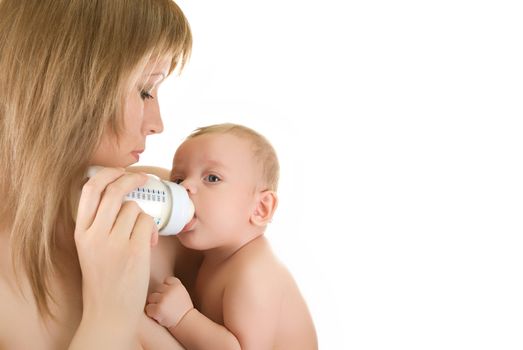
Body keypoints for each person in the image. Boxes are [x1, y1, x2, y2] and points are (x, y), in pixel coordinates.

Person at [0, 0, 197, 349]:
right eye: (144, 90)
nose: (157, 124)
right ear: (63, 88)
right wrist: (109, 315)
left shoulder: (160, 204)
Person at [145, 123, 318, 349]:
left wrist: (183, 318)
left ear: (260, 209)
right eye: (177, 180)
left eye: (212, 178)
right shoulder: (217, 255)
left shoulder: (253, 273)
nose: (185, 186)